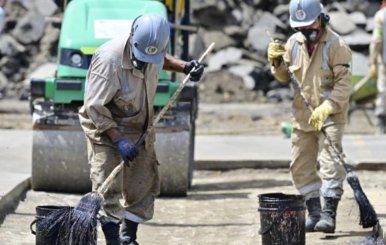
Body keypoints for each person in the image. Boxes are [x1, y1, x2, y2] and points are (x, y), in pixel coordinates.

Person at [78, 13, 204, 245]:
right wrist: (118, 139)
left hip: (139, 125)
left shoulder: (150, 50)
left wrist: (185, 66)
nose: (146, 62)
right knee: (107, 186)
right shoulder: (109, 60)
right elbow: (94, 107)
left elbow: (160, 58)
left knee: (144, 183)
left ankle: (128, 238)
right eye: (142, 57)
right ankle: (114, 241)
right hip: (105, 126)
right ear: (133, 38)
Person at [267, 0, 352, 233]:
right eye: (300, 26)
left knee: (330, 161)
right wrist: (276, 62)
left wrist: (328, 106)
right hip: (303, 115)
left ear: (321, 18)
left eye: (310, 24)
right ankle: (314, 212)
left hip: (330, 115)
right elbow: (286, 77)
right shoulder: (294, 43)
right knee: (300, 164)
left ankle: (329, 214)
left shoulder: (337, 45)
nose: (306, 30)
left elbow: (344, 85)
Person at [369, 0, 386, 134]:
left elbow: (377, 40)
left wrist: (373, 62)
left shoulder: (381, 15)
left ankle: (381, 121)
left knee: (383, 89)